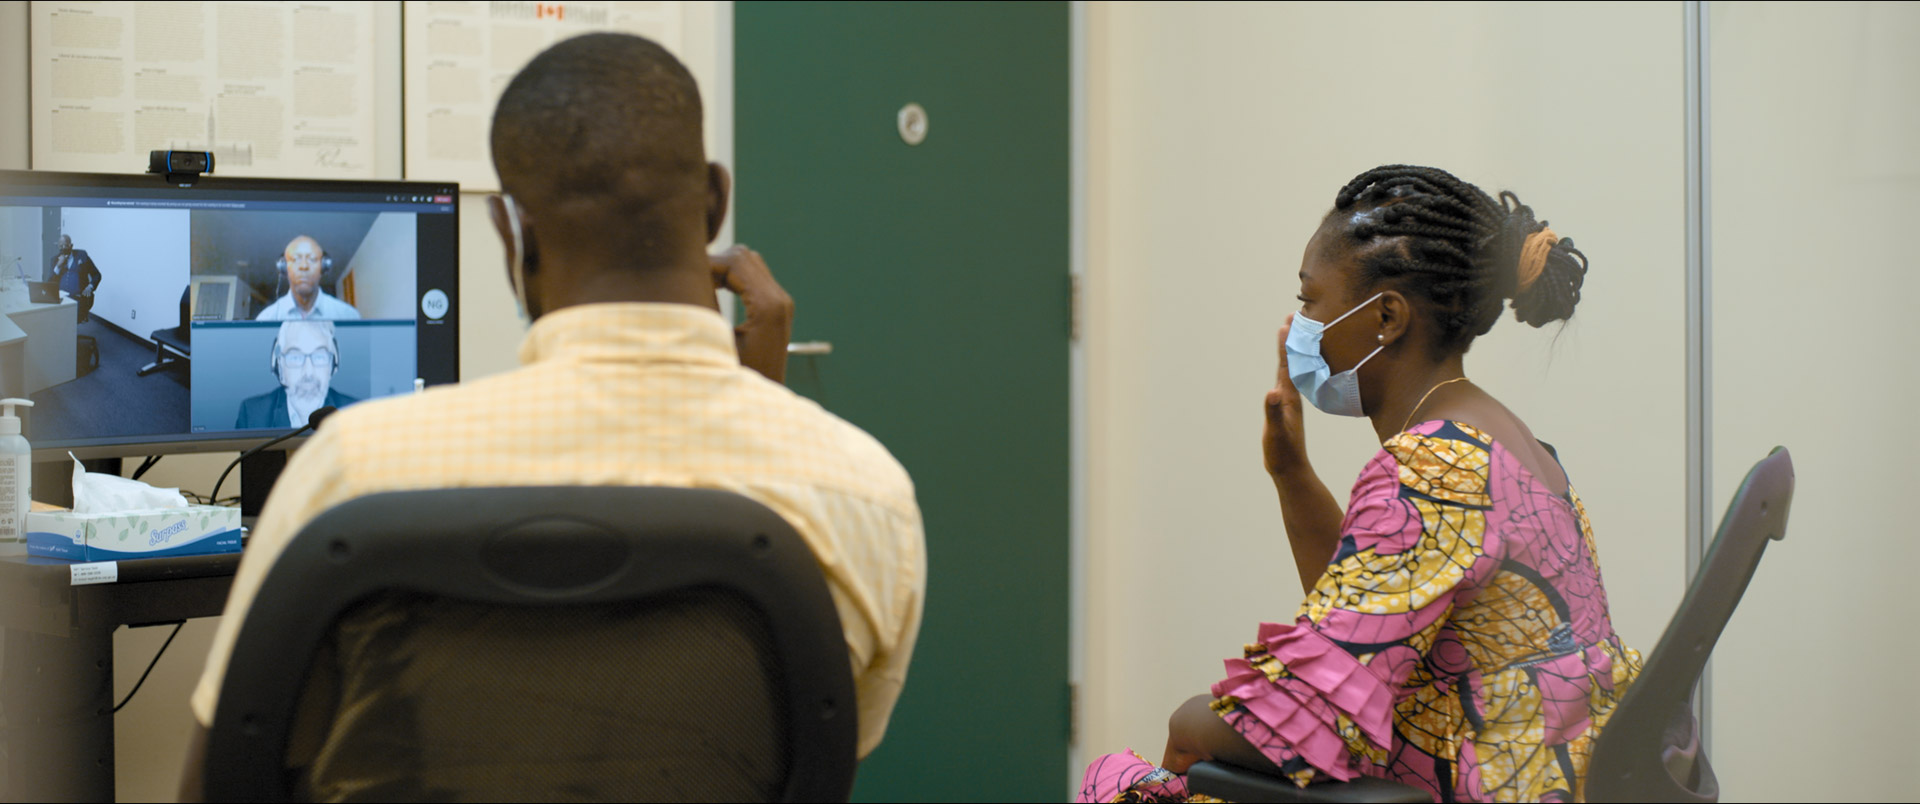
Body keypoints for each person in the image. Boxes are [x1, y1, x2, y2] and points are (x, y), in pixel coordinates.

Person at [181, 33, 926, 799]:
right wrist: (769, 418)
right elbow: (809, 762)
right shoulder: (863, 495)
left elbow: (219, 781)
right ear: (714, 201)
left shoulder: (354, 470)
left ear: (513, 230)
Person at [1079, 165, 1642, 803]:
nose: (1299, 328)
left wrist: (1187, 722)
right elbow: (1372, 629)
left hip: (1483, 783)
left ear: (1387, 318)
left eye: (1310, 301)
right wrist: (1291, 474)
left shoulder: (1435, 467)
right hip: (1546, 774)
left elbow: (1304, 716)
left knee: (1119, 785)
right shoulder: (1510, 445)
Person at [233, 320, 359, 430]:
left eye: (319, 357)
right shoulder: (252, 414)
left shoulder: (357, 412)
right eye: (295, 357)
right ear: (279, 365)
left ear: (333, 363)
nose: (308, 373)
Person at [254, 235, 361, 320]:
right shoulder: (267, 318)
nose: (304, 266)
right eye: (295, 259)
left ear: (323, 267)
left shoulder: (348, 316)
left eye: (312, 259)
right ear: (284, 267)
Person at [48, 234, 100, 323]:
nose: (63, 248)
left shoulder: (82, 256)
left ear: (71, 245)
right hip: (60, 298)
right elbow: (50, 282)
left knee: (67, 317)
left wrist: (90, 286)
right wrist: (58, 266)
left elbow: (97, 275)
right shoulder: (55, 260)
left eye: (66, 245)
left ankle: (68, 334)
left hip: (78, 298)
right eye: (61, 246)